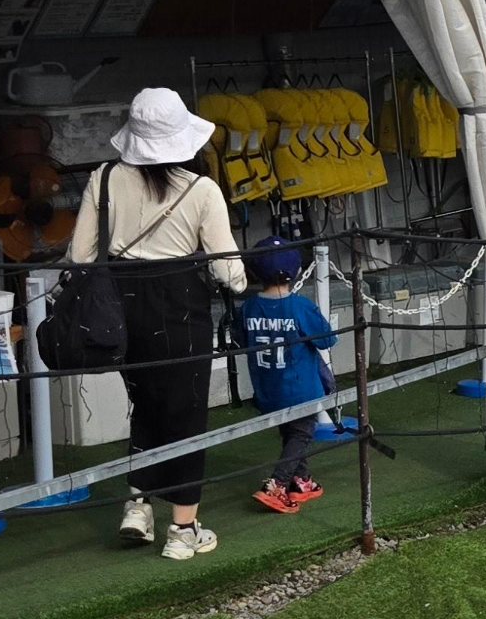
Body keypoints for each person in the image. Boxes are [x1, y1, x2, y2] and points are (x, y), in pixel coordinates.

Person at [66, 90, 246, 560]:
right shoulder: (202, 189)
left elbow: (80, 255)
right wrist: (240, 281)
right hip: (181, 303)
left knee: (144, 403)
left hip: (122, 303)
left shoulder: (104, 178)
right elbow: (229, 271)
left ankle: (138, 505)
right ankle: (183, 530)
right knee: (186, 413)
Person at [237, 243, 338, 515]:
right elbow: (327, 339)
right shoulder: (300, 306)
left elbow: (239, 339)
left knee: (291, 434)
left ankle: (301, 480)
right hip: (300, 388)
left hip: (268, 388)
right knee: (302, 434)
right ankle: (277, 484)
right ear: (295, 271)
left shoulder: (249, 307)